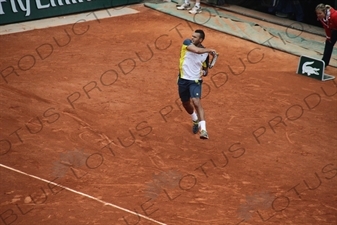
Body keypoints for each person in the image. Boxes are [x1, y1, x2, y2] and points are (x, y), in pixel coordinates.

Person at [177, 29, 217, 139]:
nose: (192, 38)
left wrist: (203, 72)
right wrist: (211, 50)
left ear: (201, 39)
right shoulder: (187, 43)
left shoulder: (205, 54)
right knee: (185, 103)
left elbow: (205, 70)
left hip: (195, 81)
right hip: (183, 80)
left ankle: (203, 130)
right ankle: (195, 120)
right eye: (192, 36)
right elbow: (197, 51)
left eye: (195, 37)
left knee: (196, 101)